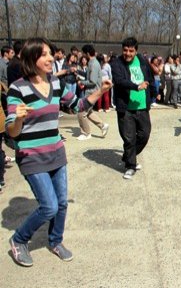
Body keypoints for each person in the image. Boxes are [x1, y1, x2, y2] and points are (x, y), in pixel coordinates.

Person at [6, 37, 112, 266]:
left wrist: (98, 92)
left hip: (55, 152)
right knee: (49, 206)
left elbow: (77, 106)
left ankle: (55, 240)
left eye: (50, 53)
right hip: (31, 155)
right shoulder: (18, 88)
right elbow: (12, 132)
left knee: (61, 203)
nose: (50, 58)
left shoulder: (55, 83)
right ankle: (19, 240)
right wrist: (19, 120)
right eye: (44, 54)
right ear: (31, 58)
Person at [110, 37, 156, 179]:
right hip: (126, 107)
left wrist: (153, 94)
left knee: (144, 135)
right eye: (125, 50)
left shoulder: (142, 60)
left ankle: (128, 156)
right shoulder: (117, 63)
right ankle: (130, 165)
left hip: (142, 106)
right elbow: (119, 81)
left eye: (131, 51)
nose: (128, 53)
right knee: (129, 138)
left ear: (136, 51)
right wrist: (136, 86)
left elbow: (150, 78)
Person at [76, 45, 109, 140]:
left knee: (81, 111)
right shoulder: (92, 63)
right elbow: (90, 78)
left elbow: (92, 81)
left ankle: (86, 133)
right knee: (88, 111)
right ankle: (103, 126)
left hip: (92, 92)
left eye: (83, 53)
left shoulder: (93, 64)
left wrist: (81, 82)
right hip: (92, 91)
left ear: (87, 53)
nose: (82, 55)